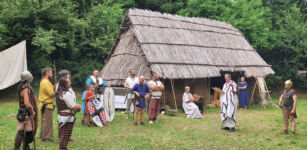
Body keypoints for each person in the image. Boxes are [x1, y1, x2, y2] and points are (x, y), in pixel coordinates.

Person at [14, 71, 38, 150]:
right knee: (21, 132)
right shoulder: (25, 89)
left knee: (29, 132)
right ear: (28, 79)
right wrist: (32, 112)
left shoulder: (21, 87)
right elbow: (27, 104)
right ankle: (17, 148)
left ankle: (26, 146)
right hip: (26, 113)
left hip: (24, 112)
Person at [56, 76, 81, 150]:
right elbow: (73, 106)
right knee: (65, 138)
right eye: (68, 82)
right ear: (65, 84)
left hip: (61, 117)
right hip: (67, 118)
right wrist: (79, 106)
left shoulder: (58, 92)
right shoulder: (66, 94)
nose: (70, 82)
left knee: (63, 137)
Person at [38, 68, 55, 142]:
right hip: (47, 105)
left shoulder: (44, 81)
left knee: (45, 121)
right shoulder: (45, 82)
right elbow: (51, 93)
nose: (52, 74)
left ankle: (44, 136)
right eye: (51, 72)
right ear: (47, 73)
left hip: (45, 104)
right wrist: (56, 89)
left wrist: (53, 87)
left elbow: (49, 90)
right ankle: (45, 137)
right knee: (46, 122)